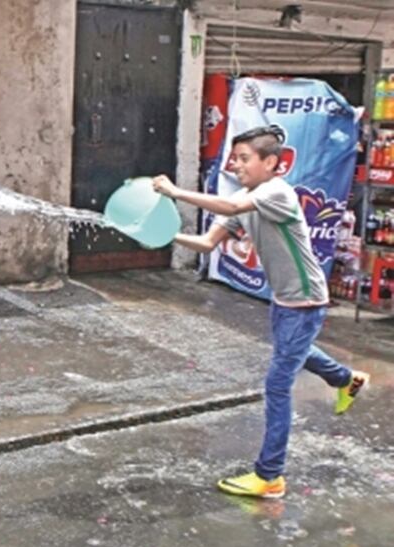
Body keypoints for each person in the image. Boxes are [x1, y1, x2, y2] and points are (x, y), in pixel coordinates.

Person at [153, 124, 369, 500]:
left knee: (277, 383)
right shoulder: (248, 197)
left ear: (271, 162)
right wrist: (161, 233)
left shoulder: (275, 192)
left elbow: (233, 206)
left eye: (244, 158)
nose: (236, 165)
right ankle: (346, 379)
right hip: (284, 299)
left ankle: (270, 476)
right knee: (293, 351)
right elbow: (206, 244)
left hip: (306, 300)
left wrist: (175, 192)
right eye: (234, 158)